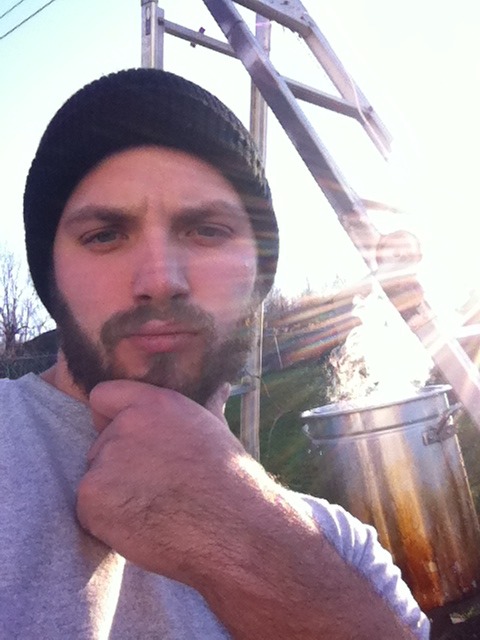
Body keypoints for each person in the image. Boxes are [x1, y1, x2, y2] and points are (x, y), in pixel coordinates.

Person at [0, 68, 430, 639]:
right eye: (104, 235)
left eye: (206, 230)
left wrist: (246, 541)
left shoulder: (341, 549)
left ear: (258, 271)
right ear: (50, 275)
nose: (161, 280)